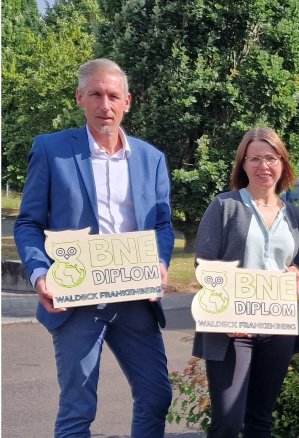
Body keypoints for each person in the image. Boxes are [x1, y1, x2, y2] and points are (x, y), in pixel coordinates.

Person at [13, 58, 174, 437]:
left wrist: (161, 261)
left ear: (128, 101)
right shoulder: (51, 150)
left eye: (113, 96)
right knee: (78, 409)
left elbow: (163, 224)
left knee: (156, 396)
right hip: (76, 300)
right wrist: (40, 274)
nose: (106, 105)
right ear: (80, 98)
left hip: (135, 299)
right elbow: (28, 223)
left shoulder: (151, 158)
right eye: (96, 95)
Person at [192, 127, 299, 437]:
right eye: (254, 158)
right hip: (232, 329)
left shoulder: (294, 215)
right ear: (242, 164)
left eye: (270, 158)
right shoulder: (225, 206)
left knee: (260, 419)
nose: (263, 166)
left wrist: (296, 272)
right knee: (227, 422)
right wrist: (225, 315)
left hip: (277, 329)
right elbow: (204, 266)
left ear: (282, 163)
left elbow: (294, 262)